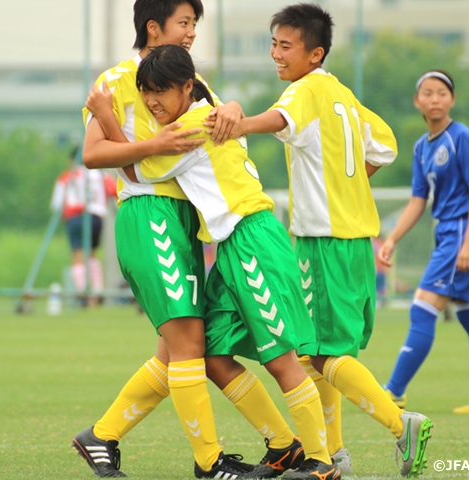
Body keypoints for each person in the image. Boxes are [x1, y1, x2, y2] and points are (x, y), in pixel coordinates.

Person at [72, 1, 304, 478]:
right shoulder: (115, 81)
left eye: (195, 24)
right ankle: (211, 463)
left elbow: (221, 119)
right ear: (153, 27)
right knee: (189, 343)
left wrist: (234, 106)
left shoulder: (189, 80)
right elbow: (94, 152)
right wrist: (154, 144)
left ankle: (102, 436)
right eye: (185, 23)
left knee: (180, 350)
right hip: (149, 212)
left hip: (185, 220)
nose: (192, 32)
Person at [205, 4, 432, 477]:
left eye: (286, 46)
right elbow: (385, 145)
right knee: (314, 349)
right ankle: (334, 453)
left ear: (315, 53)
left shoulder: (305, 90)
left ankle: (400, 423)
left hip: (322, 241)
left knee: (324, 353)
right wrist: (347, 186)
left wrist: (238, 125)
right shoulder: (344, 95)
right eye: (274, 44)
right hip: (351, 239)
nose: (276, 54)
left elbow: (278, 119)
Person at [119, 43, 341, 480]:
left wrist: (107, 121)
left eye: (160, 90)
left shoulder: (192, 125)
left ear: (186, 87)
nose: (151, 101)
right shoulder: (210, 105)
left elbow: (133, 172)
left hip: (252, 238)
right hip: (231, 246)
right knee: (214, 353)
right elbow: (220, 107)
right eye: (145, 91)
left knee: (281, 359)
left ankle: (321, 462)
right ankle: (282, 447)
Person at [375, 70, 469, 415]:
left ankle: (393, 391)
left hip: (465, 231)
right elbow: (419, 199)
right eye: (428, 93)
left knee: (422, 306)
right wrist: (391, 238)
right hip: (451, 233)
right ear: (417, 101)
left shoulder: (461, 137)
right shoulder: (422, 147)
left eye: (442, 93)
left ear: (451, 99)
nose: (435, 99)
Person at [50, 146, 114, 306]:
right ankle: (97, 289)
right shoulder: (101, 175)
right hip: (96, 216)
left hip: (76, 216)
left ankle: (82, 292)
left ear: (72, 160)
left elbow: (56, 204)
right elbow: (115, 190)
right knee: (92, 254)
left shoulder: (67, 177)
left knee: (78, 254)